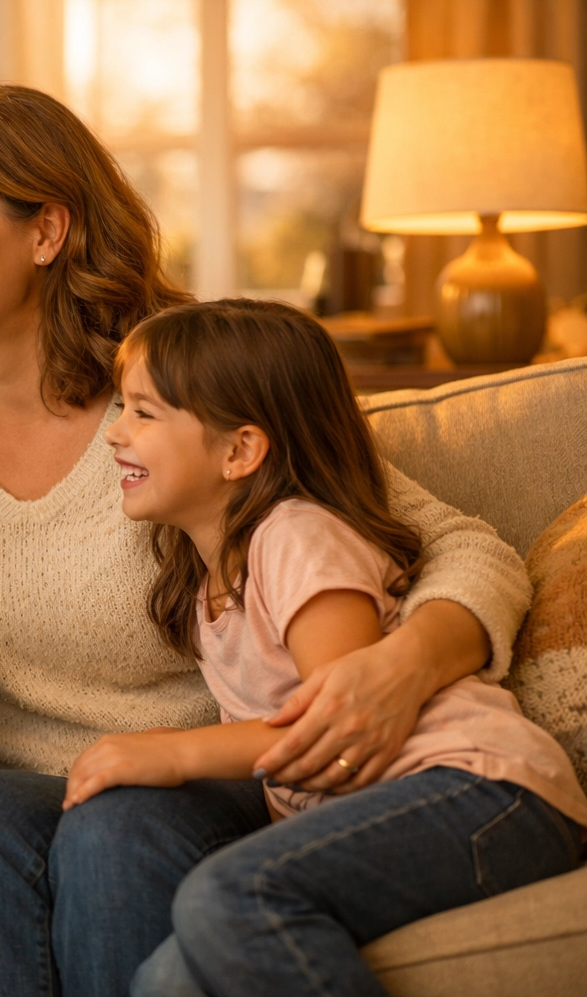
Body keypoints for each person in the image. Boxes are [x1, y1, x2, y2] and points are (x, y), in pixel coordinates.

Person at [0, 83, 534, 996]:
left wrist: (401, 667)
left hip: (237, 771)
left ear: (47, 230)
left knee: (118, 823)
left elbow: (463, 547)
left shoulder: (182, 383)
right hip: (34, 791)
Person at [82, 299, 586, 996]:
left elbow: (337, 725)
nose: (115, 432)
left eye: (142, 412)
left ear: (239, 451)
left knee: (231, 893)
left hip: (483, 792)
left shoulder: (296, 536)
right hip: (409, 808)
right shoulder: (206, 590)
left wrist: (176, 752)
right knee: (163, 980)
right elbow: (295, 793)